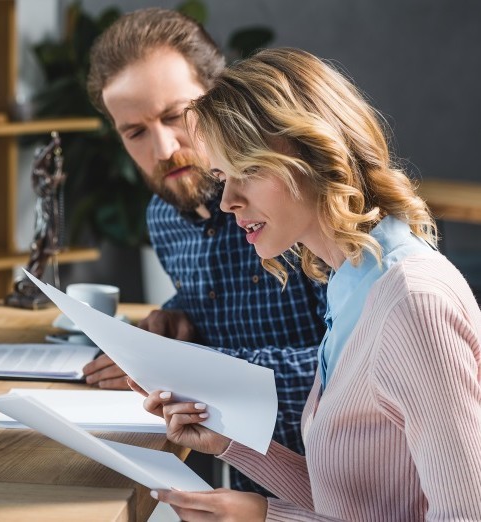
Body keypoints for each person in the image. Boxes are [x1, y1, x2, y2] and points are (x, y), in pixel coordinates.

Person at [142, 47, 481, 520]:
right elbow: (351, 501)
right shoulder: (350, 286)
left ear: (317, 153)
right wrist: (231, 446)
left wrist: (265, 517)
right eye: (222, 177)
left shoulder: (412, 303)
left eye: (250, 171)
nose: (228, 201)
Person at [81, 8, 326, 493]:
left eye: (175, 115)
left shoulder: (291, 202)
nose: (164, 147)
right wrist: (173, 322)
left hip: (353, 477)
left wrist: (200, 369)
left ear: (220, 98)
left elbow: (354, 368)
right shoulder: (163, 216)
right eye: (135, 132)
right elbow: (212, 304)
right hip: (248, 478)